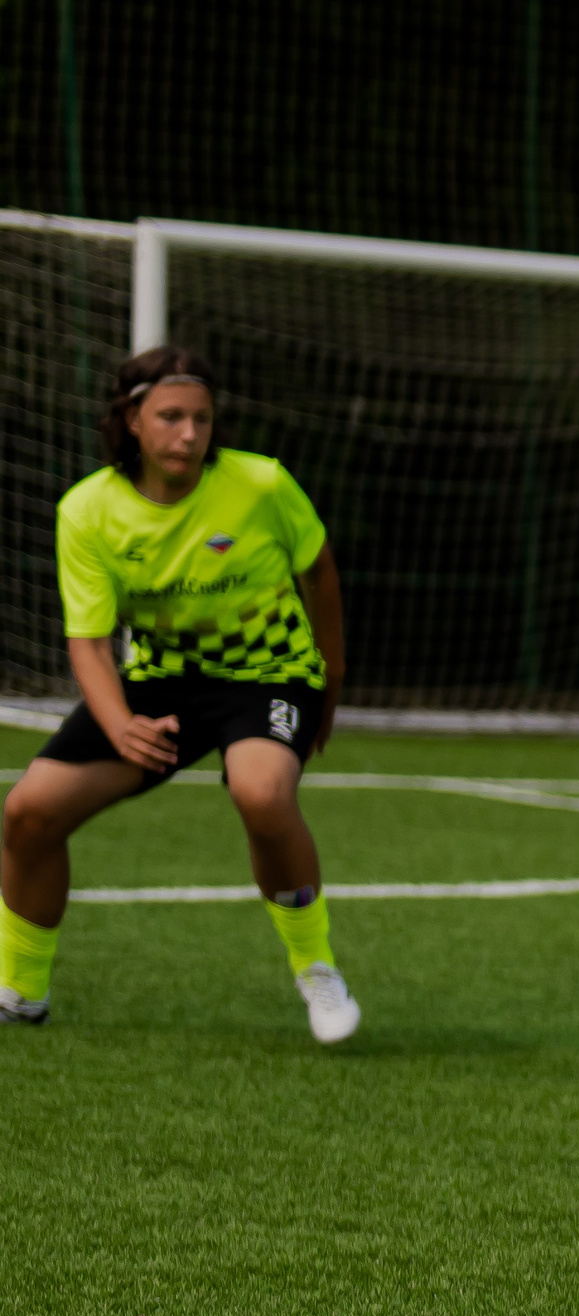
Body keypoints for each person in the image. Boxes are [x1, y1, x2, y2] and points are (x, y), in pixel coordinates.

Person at [0, 347, 360, 1043]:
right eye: (170, 417)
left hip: (269, 673)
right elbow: (89, 642)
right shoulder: (87, 510)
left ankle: (317, 969)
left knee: (261, 794)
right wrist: (119, 724)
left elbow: (319, 573)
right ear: (132, 420)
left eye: (202, 418)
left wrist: (331, 679)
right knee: (29, 812)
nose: (189, 434)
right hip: (163, 684)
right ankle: (20, 991)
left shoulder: (260, 484)